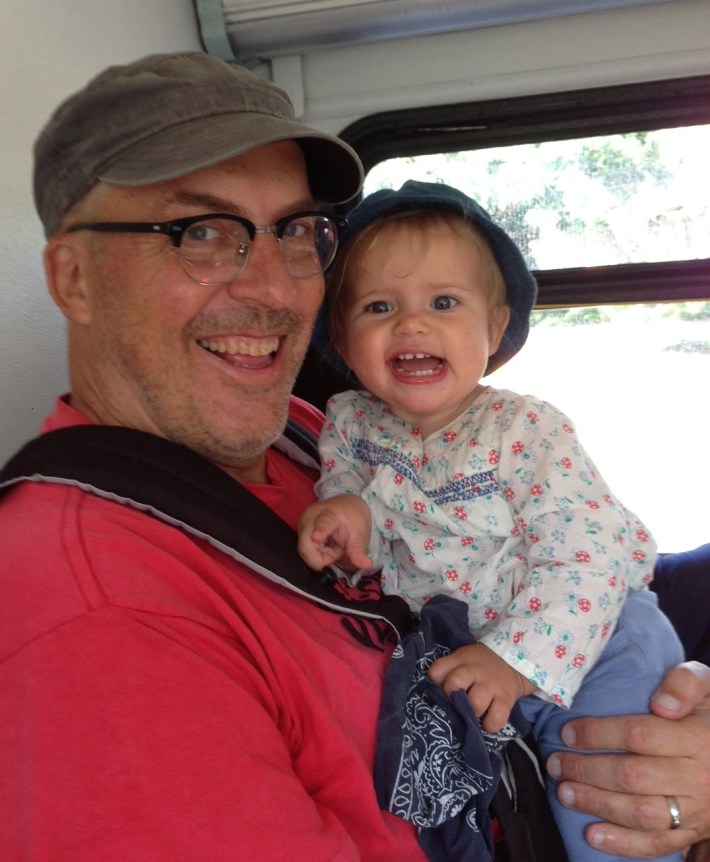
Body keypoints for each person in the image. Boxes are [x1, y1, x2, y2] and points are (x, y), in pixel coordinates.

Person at [0, 51, 708, 862]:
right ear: (75, 277)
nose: (274, 285)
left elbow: (558, 547)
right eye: (200, 231)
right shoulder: (97, 620)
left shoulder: (302, 429)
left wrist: (682, 760)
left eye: (298, 230)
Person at [295, 180, 694, 860]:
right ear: (341, 334)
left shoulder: (525, 428)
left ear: (495, 325)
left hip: (592, 639)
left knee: (606, 816)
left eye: (443, 302)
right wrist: (345, 515)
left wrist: (515, 659)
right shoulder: (350, 423)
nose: (411, 324)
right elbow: (354, 493)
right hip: (471, 654)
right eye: (378, 306)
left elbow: (589, 559)